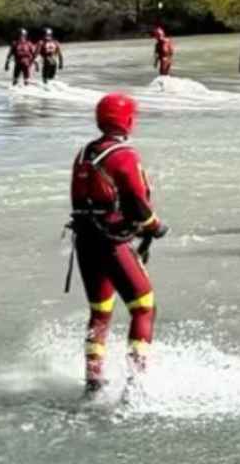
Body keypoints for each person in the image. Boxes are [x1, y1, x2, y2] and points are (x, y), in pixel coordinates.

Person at [69, 93, 169, 395]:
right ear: (127, 120)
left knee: (100, 311)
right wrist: (154, 226)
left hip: (85, 242)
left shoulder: (85, 153)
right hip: (111, 242)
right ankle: (137, 382)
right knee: (143, 306)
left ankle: (94, 380)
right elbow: (137, 203)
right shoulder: (124, 154)